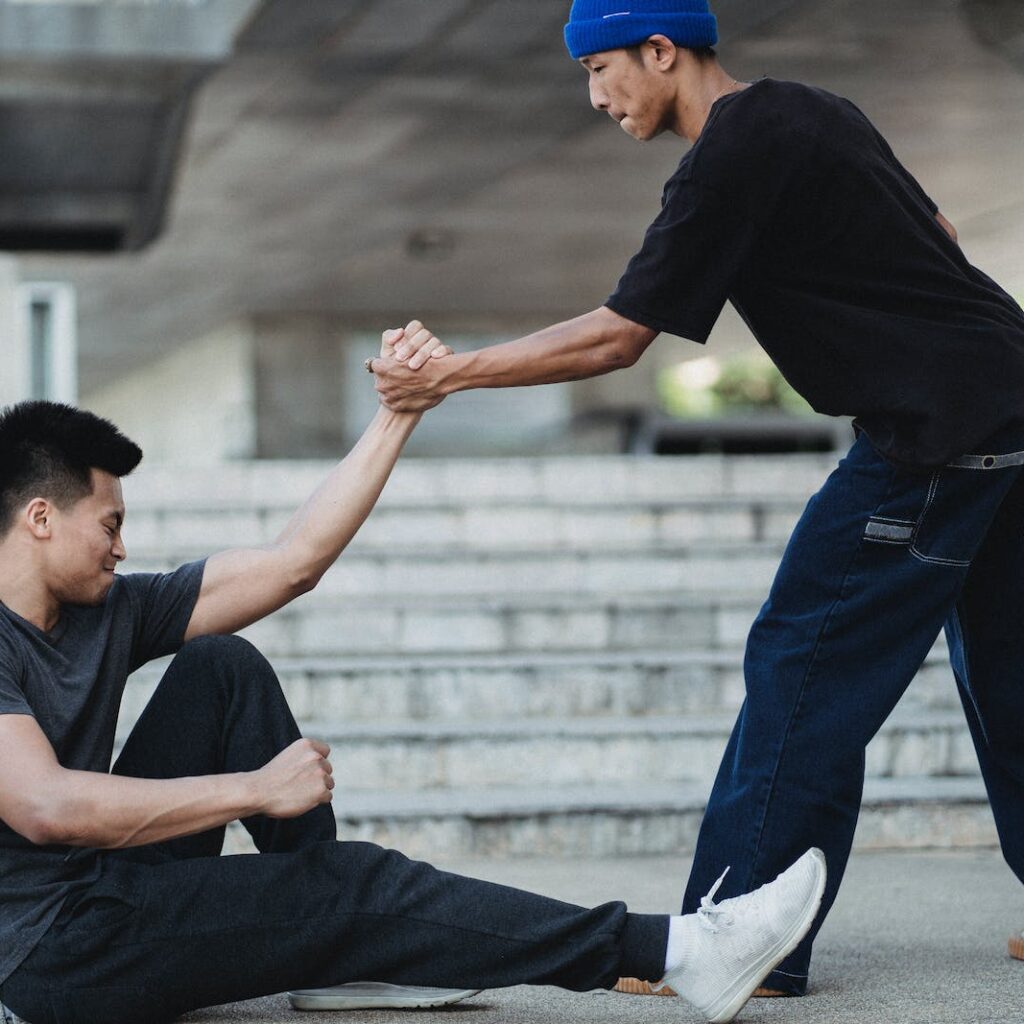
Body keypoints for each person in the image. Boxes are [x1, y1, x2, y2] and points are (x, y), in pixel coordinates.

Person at [368, 0, 1024, 999]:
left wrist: (449, 375)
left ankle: (737, 933)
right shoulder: (814, 109)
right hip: (1008, 397)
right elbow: (936, 232)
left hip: (934, 433)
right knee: (1009, 665)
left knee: (804, 659)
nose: (596, 99)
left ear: (661, 49)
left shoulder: (727, 154)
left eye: (599, 70)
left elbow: (618, 336)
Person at [0, 365, 827, 1023]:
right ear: (40, 518)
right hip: (51, 953)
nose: (122, 547)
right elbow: (46, 807)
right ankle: (678, 952)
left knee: (222, 665)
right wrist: (254, 789)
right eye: (109, 524)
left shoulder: (107, 610)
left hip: (97, 887)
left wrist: (399, 414)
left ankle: (341, 959)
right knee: (352, 887)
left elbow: (293, 563)